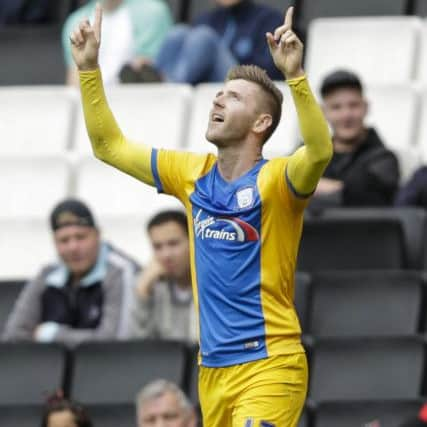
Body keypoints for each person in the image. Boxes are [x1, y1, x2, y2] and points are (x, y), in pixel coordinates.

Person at [70, 4, 332, 426]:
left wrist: (296, 77)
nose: (218, 98)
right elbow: (109, 147)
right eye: (219, 92)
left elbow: (320, 151)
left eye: (234, 96)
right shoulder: (191, 174)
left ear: (261, 122)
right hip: (212, 370)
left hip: (270, 363)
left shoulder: (278, 181)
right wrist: (88, 69)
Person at [3, 198, 140, 348]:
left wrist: (52, 335)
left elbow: (115, 342)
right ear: (54, 243)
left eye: (80, 237)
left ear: (98, 235)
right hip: (51, 369)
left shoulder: (121, 271)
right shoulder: (47, 273)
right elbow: (13, 335)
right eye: (64, 240)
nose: (73, 247)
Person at [311, 69, 400, 209]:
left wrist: (308, 187)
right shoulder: (309, 152)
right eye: (336, 107)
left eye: (353, 105)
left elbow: (368, 197)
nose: (346, 115)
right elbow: (281, 182)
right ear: (323, 112)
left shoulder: (384, 159)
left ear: (365, 107)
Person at [152, 0, 284, 84]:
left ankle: (169, 88)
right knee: (178, 33)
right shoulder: (205, 19)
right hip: (205, 85)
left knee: (204, 37)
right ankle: (153, 81)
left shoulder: (269, 19)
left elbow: (269, 74)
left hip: (247, 86)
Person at [62, 0, 172, 85]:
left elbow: (150, 70)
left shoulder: (152, 12)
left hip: (136, 100)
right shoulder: (75, 21)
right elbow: (74, 79)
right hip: (93, 103)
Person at [131, 210, 197, 342]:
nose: (166, 255)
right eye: (157, 247)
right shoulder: (152, 285)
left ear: (193, 242)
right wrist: (142, 294)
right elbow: (139, 347)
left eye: (173, 244)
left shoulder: (213, 283)